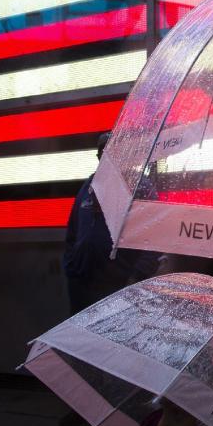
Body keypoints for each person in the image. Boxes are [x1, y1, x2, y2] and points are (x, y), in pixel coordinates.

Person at [63, 132, 159, 314]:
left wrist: (136, 276)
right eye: (102, 153)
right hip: (82, 284)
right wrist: (71, 267)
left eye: (112, 151)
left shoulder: (140, 187)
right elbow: (72, 232)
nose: (106, 157)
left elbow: (155, 238)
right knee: (83, 340)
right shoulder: (89, 185)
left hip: (119, 286)